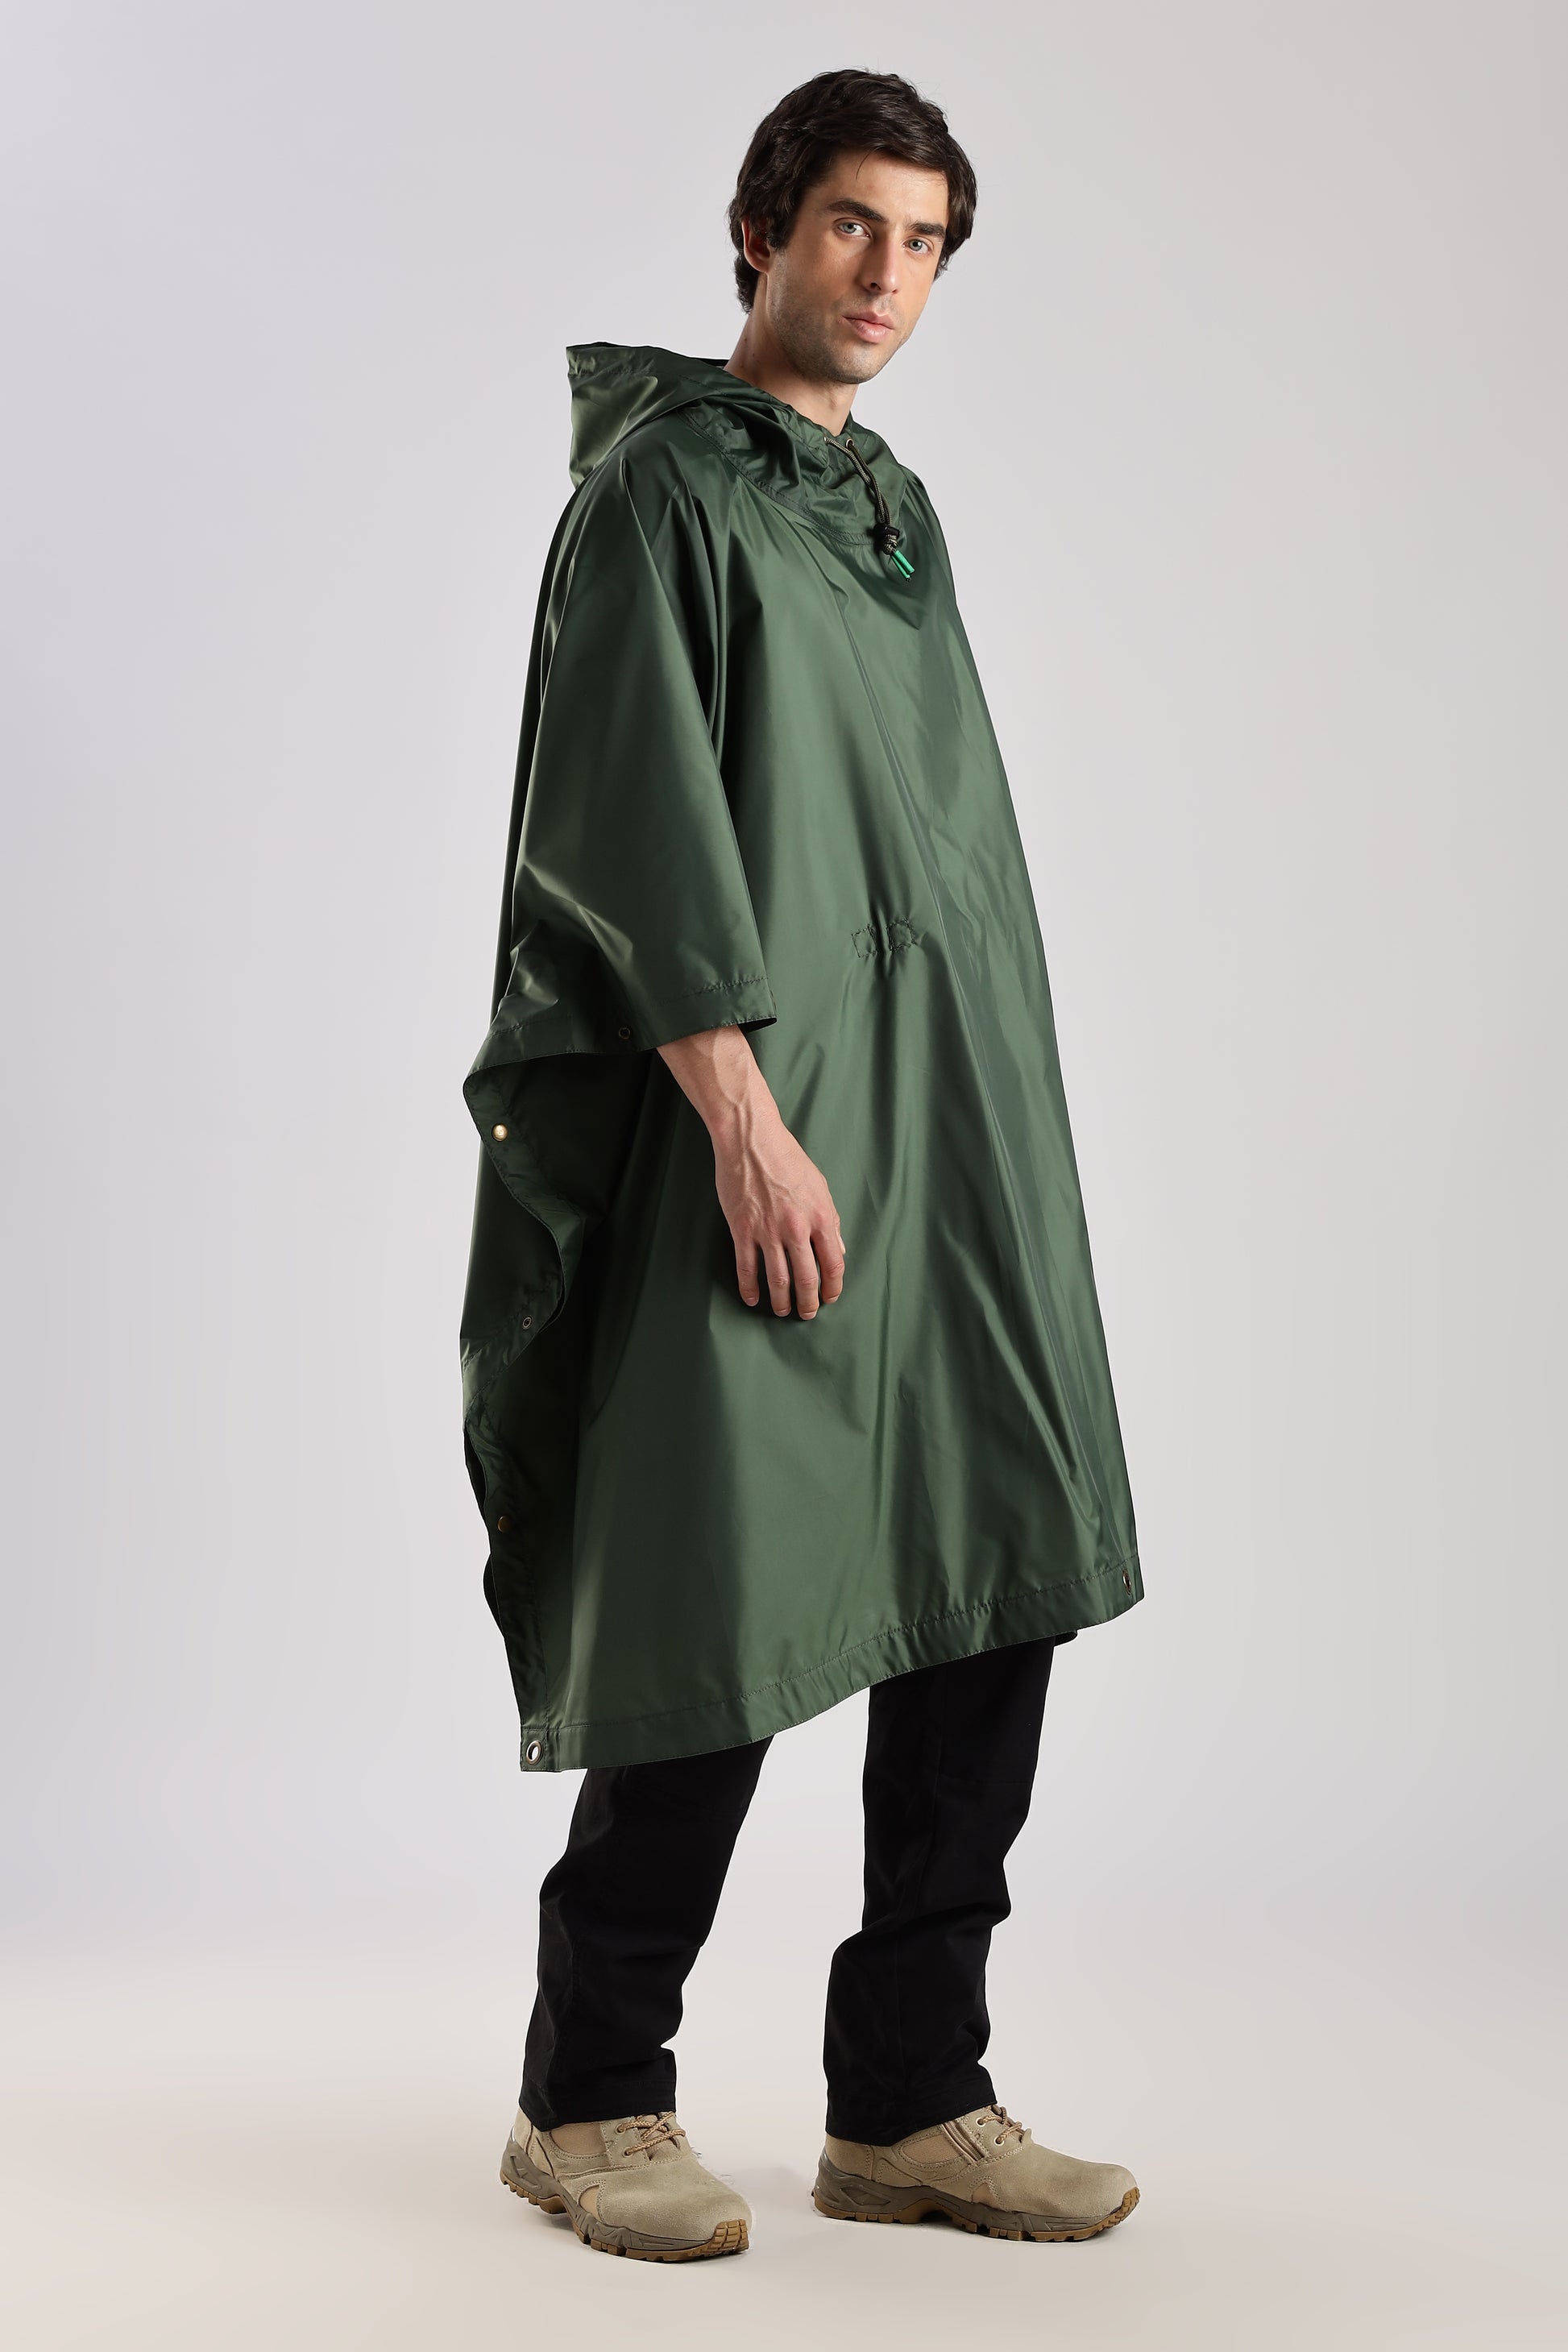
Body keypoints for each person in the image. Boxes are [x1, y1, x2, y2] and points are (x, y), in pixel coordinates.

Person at [460, 68, 1143, 2263]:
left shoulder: (888, 506)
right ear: (759, 232)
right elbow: (635, 827)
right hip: (763, 1121)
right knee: (724, 1574)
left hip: (953, 1113)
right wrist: (745, 1120)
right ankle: (588, 2097)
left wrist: (993, 1121)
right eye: (852, 224)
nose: (886, 276)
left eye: (924, 242)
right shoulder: (662, 493)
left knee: (997, 1556)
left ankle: (913, 2098)